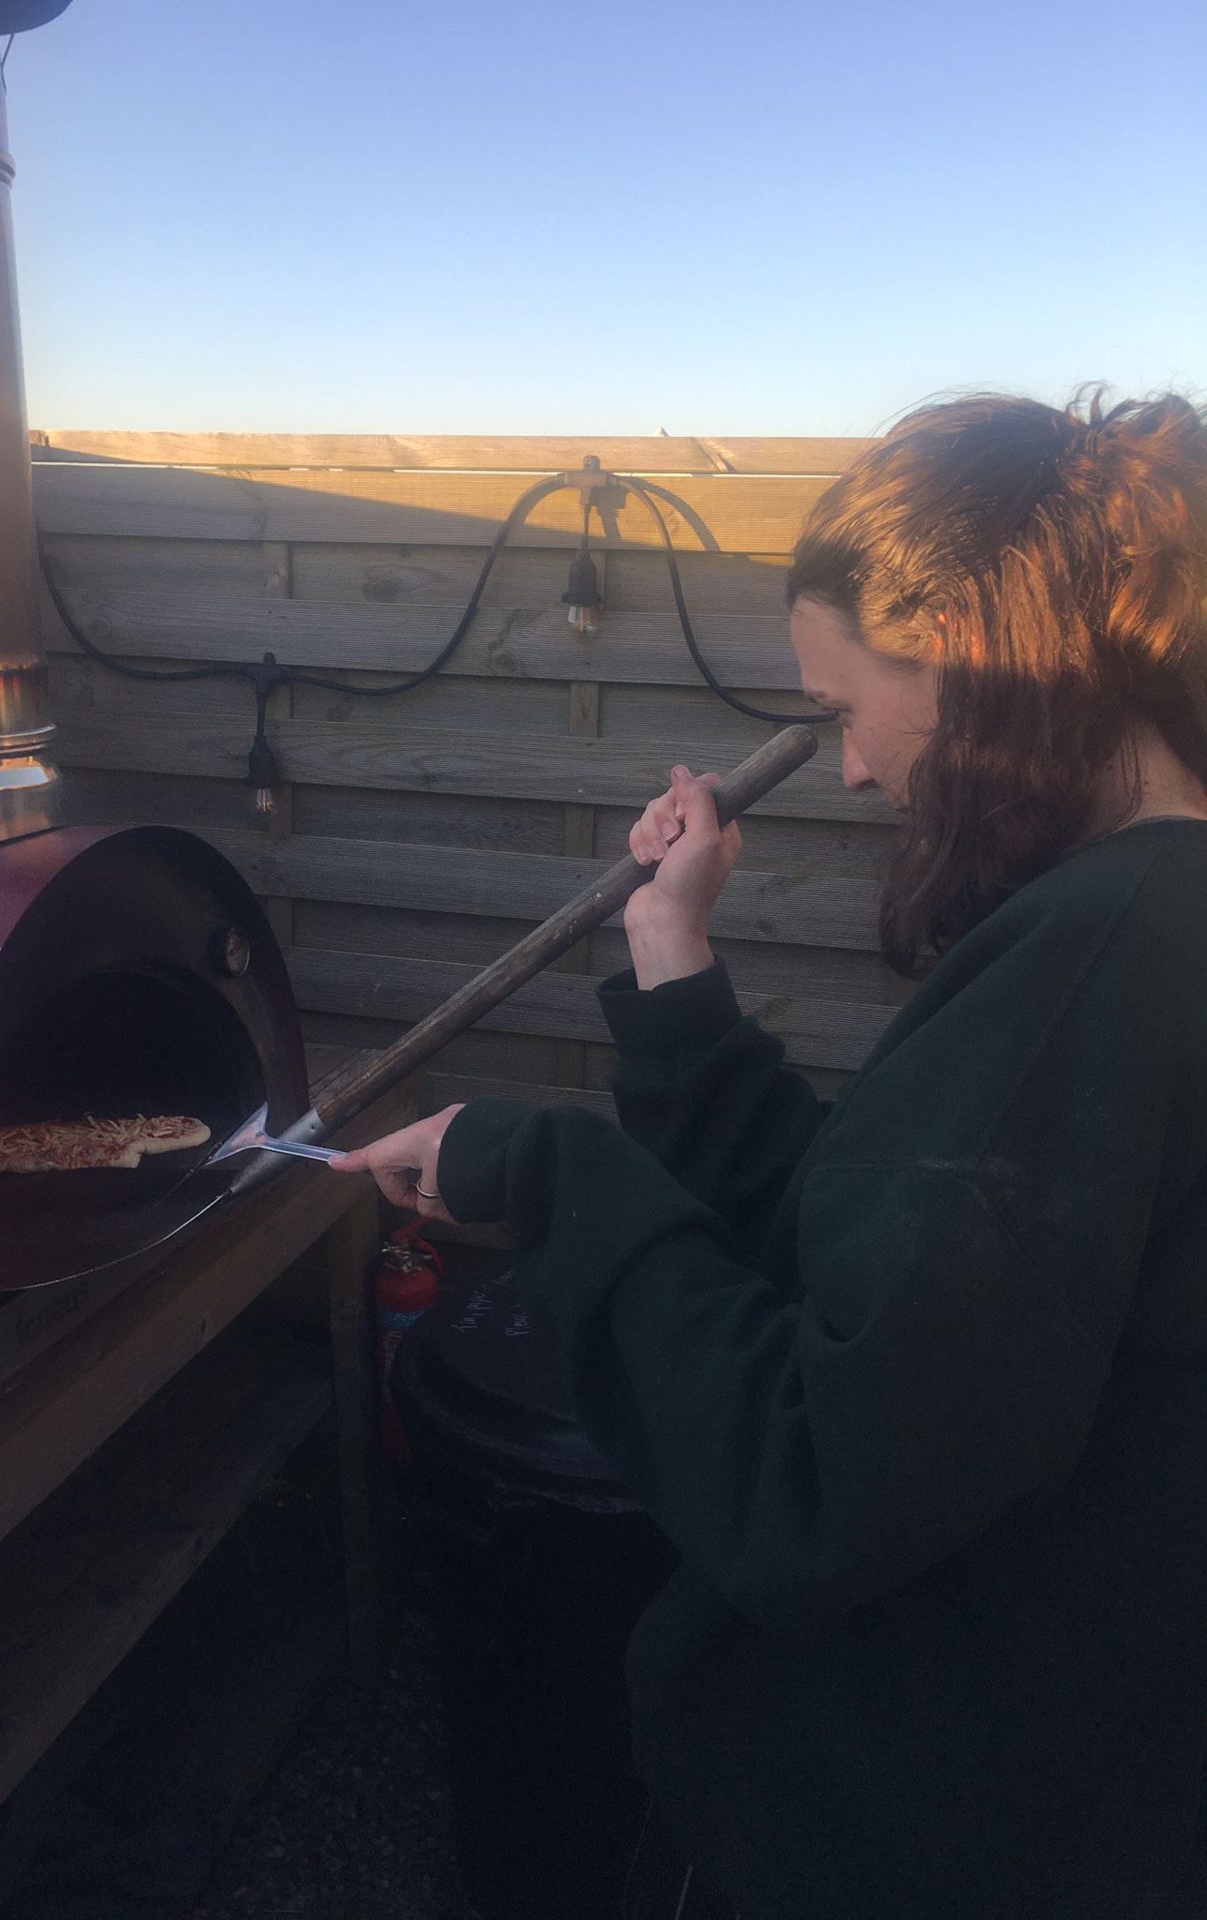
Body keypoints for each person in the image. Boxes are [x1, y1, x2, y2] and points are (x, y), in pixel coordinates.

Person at [331, 389, 1207, 1920]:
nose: (854, 773)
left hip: (946, 1824)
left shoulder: (1100, 961)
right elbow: (894, 1283)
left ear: (969, 657)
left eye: (845, 705)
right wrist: (672, 965)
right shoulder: (1147, 922)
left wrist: (540, 1169)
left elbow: (814, 1476)